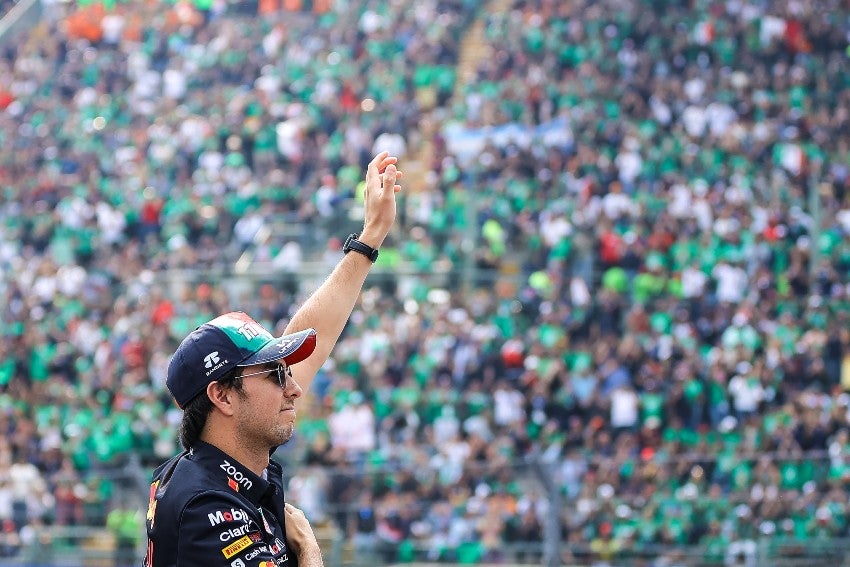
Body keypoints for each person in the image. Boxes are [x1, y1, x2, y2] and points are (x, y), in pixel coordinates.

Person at [144, 151, 403, 567]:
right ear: (223, 397)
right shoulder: (206, 508)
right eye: (275, 376)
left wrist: (369, 238)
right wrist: (310, 550)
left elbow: (313, 337)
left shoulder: (224, 468)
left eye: (285, 372)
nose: (296, 386)